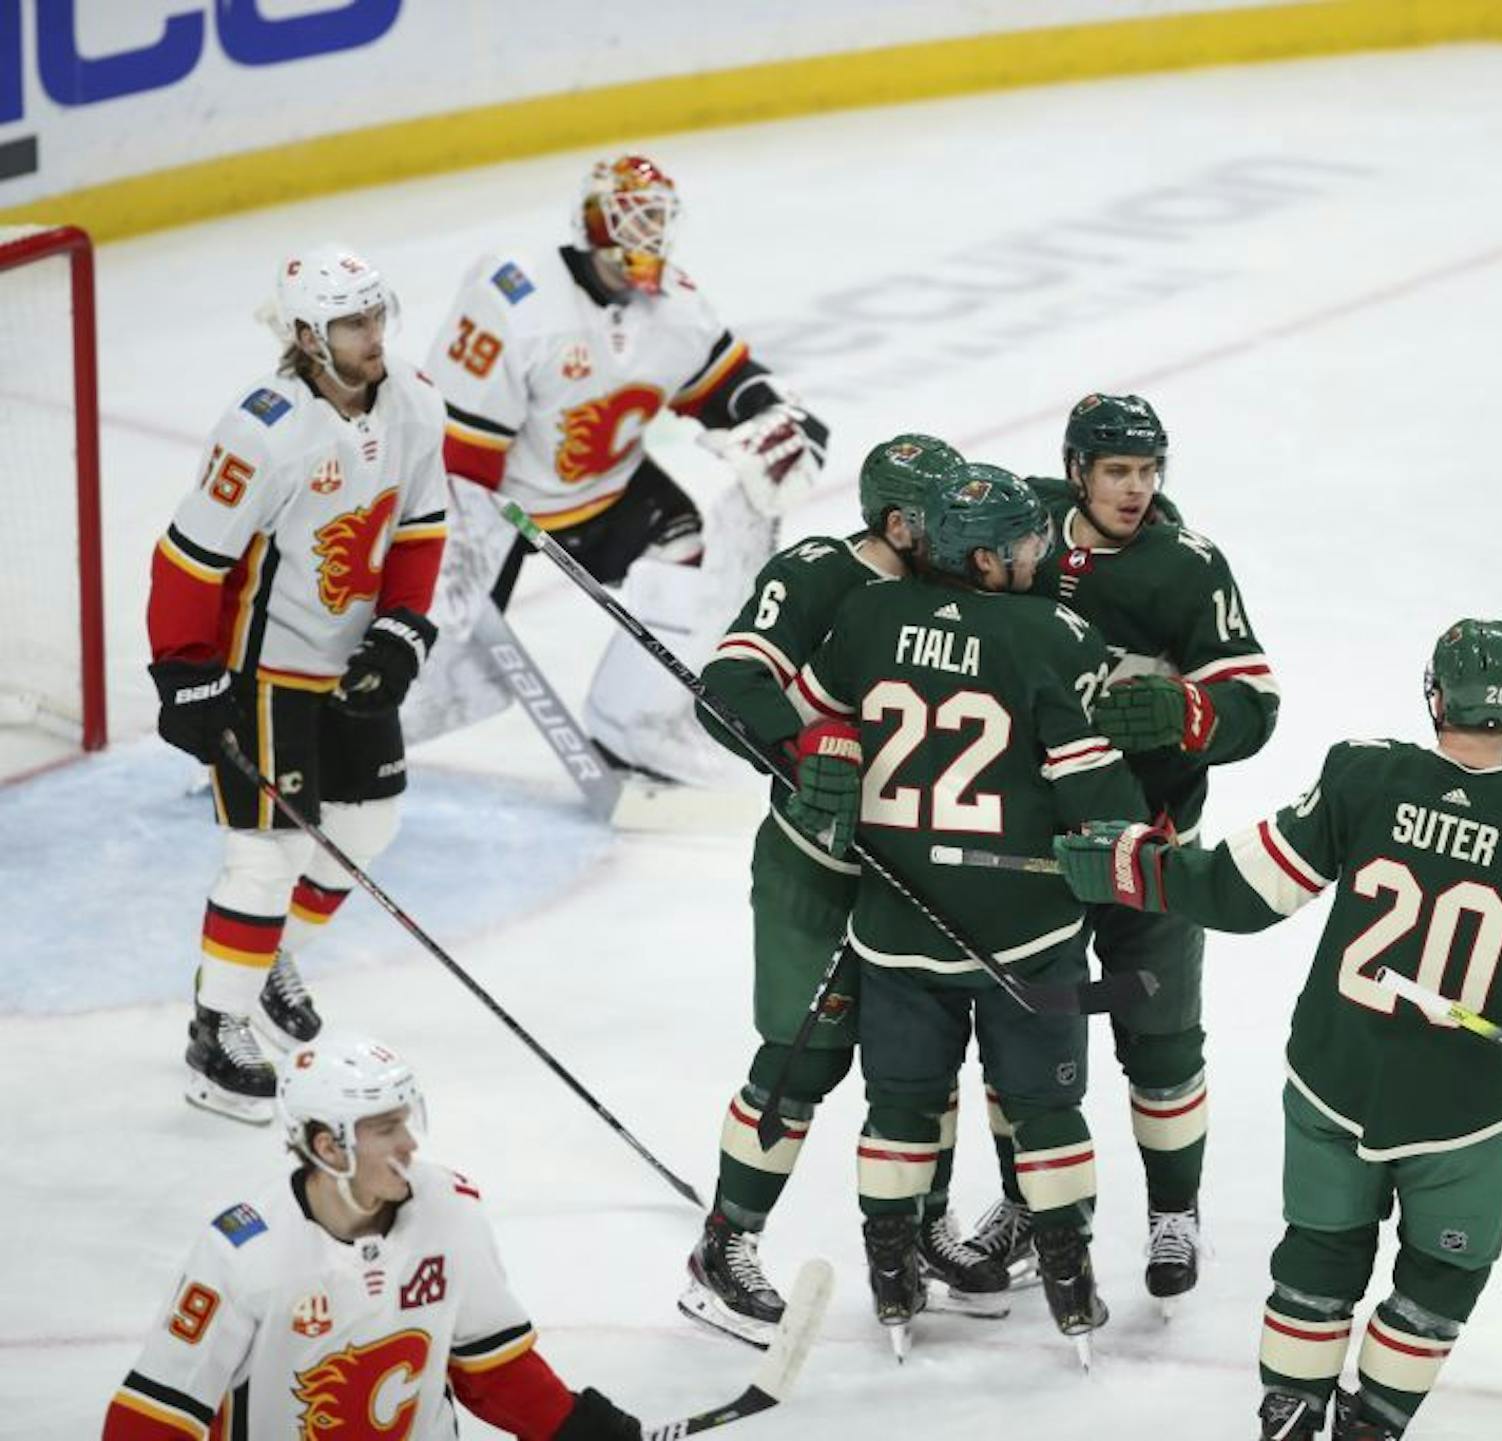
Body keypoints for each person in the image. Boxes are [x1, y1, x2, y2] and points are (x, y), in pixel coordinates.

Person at [1054, 619, 1502, 1439]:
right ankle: (1376, 1422)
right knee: (1446, 1267)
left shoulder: (1363, 775)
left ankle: (1290, 1413)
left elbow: (1244, 890)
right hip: (1458, 1110)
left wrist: (1139, 866)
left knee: (1320, 1252)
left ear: (1434, 694)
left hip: (1334, 1072)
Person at [787, 464, 1149, 1356]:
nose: (1040, 551)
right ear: (983, 557)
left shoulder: (867, 616)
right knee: (1047, 1111)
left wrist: (832, 754)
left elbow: (808, 719)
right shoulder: (1050, 633)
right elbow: (1106, 805)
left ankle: (893, 1281)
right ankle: (1070, 1288)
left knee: (900, 1109)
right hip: (1025, 931)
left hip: (897, 925)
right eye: (1027, 541)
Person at [675, 434, 1010, 1347]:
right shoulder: (820, 573)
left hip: (914, 873)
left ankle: (925, 1229)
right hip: (816, 869)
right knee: (801, 1059)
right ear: (900, 523)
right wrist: (803, 746)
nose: (960, 532)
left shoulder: (956, 582)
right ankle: (724, 1245)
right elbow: (731, 682)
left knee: (921, 1064)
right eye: (940, 518)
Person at [965, 392, 1279, 1309]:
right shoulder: (1018, 527)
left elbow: (1254, 703)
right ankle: (1031, 1202)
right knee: (1020, 1044)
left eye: (1148, 472)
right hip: (1033, 853)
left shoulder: (1188, 569)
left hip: (1150, 849)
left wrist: (1190, 713)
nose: (1135, 490)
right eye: (1116, 473)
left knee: (1163, 1044)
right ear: (1075, 472)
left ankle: (1173, 1212)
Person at [411, 152, 827, 786]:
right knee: (438, 658)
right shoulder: (515, 296)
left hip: (606, 492)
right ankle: (344, 739)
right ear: (593, 223)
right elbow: (461, 452)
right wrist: (459, 560)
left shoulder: (676, 308)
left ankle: (628, 729)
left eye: (657, 219)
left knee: (693, 553)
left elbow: (727, 385)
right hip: (498, 506)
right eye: (633, 218)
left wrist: (781, 415)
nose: (648, 235)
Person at [146, 246, 447, 1124]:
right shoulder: (265, 428)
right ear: (309, 338)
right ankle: (218, 1026)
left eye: (376, 315)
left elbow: (421, 526)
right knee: (264, 855)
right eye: (353, 323)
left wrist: (401, 631)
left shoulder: (415, 404)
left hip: (347, 663)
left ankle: (271, 954)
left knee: (368, 825)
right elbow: (188, 560)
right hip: (262, 674)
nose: (373, 335)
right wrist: (186, 676)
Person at [102, 1034, 641, 1439]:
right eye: (385, 1129)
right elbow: (156, 1415)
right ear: (328, 1146)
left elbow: (491, 1366)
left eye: (405, 1122)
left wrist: (571, 1426)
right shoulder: (245, 1255)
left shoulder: (450, 1212)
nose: (409, 1144)